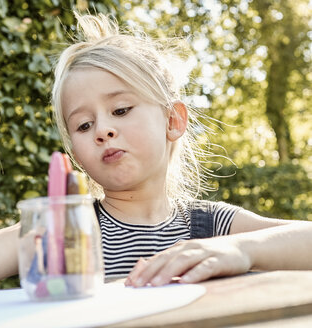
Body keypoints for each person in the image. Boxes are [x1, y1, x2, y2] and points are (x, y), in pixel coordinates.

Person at [50, 13, 312, 287]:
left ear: (173, 120)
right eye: (83, 126)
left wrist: (240, 248)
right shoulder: (64, 231)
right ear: (76, 155)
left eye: (120, 110)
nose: (102, 130)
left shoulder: (213, 226)